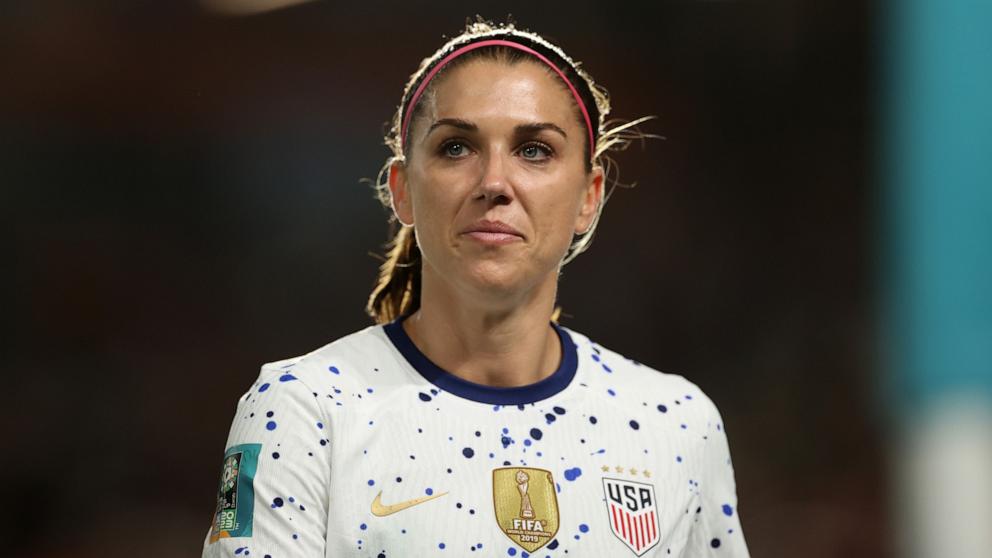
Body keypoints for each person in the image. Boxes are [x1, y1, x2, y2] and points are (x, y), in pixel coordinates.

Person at [202, 19, 749, 558]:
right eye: (456, 147)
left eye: (534, 149)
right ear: (402, 190)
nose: (493, 183)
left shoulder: (675, 423)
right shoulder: (305, 411)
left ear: (590, 195)